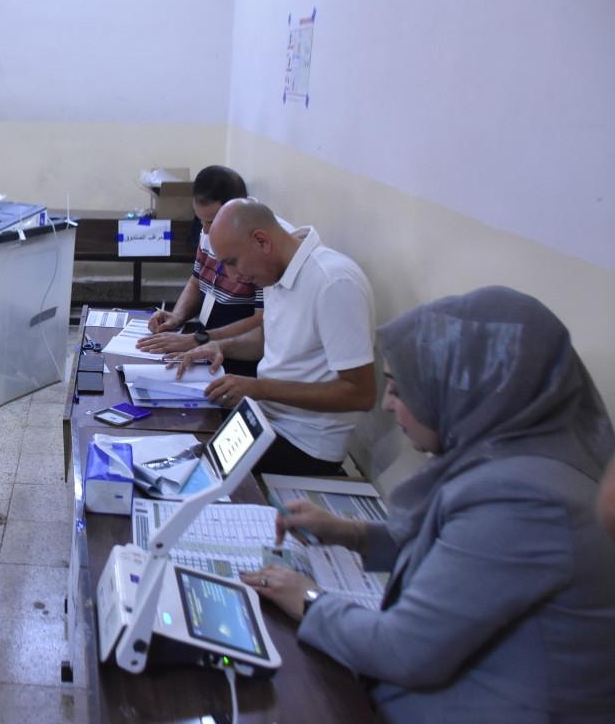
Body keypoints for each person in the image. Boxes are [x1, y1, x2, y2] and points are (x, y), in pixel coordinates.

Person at [241, 286, 615, 722]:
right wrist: (354, 534)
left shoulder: (526, 501)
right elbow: (466, 553)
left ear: (465, 391)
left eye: (400, 390)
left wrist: (306, 598)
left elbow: (401, 651)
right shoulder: (522, 455)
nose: (386, 404)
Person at [175, 199, 375, 475]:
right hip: (263, 419)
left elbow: (360, 394)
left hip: (304, 445)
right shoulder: (276, 270)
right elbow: (267, 339)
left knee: (191, 472)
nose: (233, 275)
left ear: (262, 241)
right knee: (178, 437)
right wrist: (218, 346)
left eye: (232, 262)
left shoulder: (333, 282)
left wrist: (259, 388)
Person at [136, 165, 263, 376]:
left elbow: (261, 322)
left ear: (236, 211)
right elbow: (196, 281)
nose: (204, 230)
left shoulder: (256, 248)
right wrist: (177, 316)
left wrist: (197, 339)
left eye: (211, 221)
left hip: (235, 353)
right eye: (200, 220)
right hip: (205, 339)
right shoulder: (210, 232)